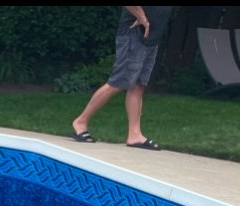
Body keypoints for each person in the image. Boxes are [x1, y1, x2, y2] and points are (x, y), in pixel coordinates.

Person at [71, 6, 174, 150]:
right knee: (118, 82)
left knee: (138, 86)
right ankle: (81, 122)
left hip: (151, 37)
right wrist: (141, 17)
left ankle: (135, 134)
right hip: (134, 33)